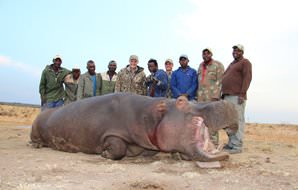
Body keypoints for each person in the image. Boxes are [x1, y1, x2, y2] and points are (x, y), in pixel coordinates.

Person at [221, 44, 252, 154]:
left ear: (242, 52)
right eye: (234, 50)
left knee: (237, 120)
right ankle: (231, 143)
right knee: (229, 121)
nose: (235, 52)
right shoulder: (232, 64)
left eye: (238, 50)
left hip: (236, 96)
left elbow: (247, 78)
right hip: (227, 96)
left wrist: (242, 94)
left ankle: (237, 146)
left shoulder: (245, 62)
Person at [197, 48, 225, 145]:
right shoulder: (200, 66)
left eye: (207, 53)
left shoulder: (218, 65)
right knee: (202, 120)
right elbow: (199, 82)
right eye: (203, 53)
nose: (205, 55)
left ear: (211, 54)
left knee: (212, 120)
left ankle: (213, 143)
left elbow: (221, 81)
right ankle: (203, 141)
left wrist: (216, 96)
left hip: (212, 98)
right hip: (201, 99)